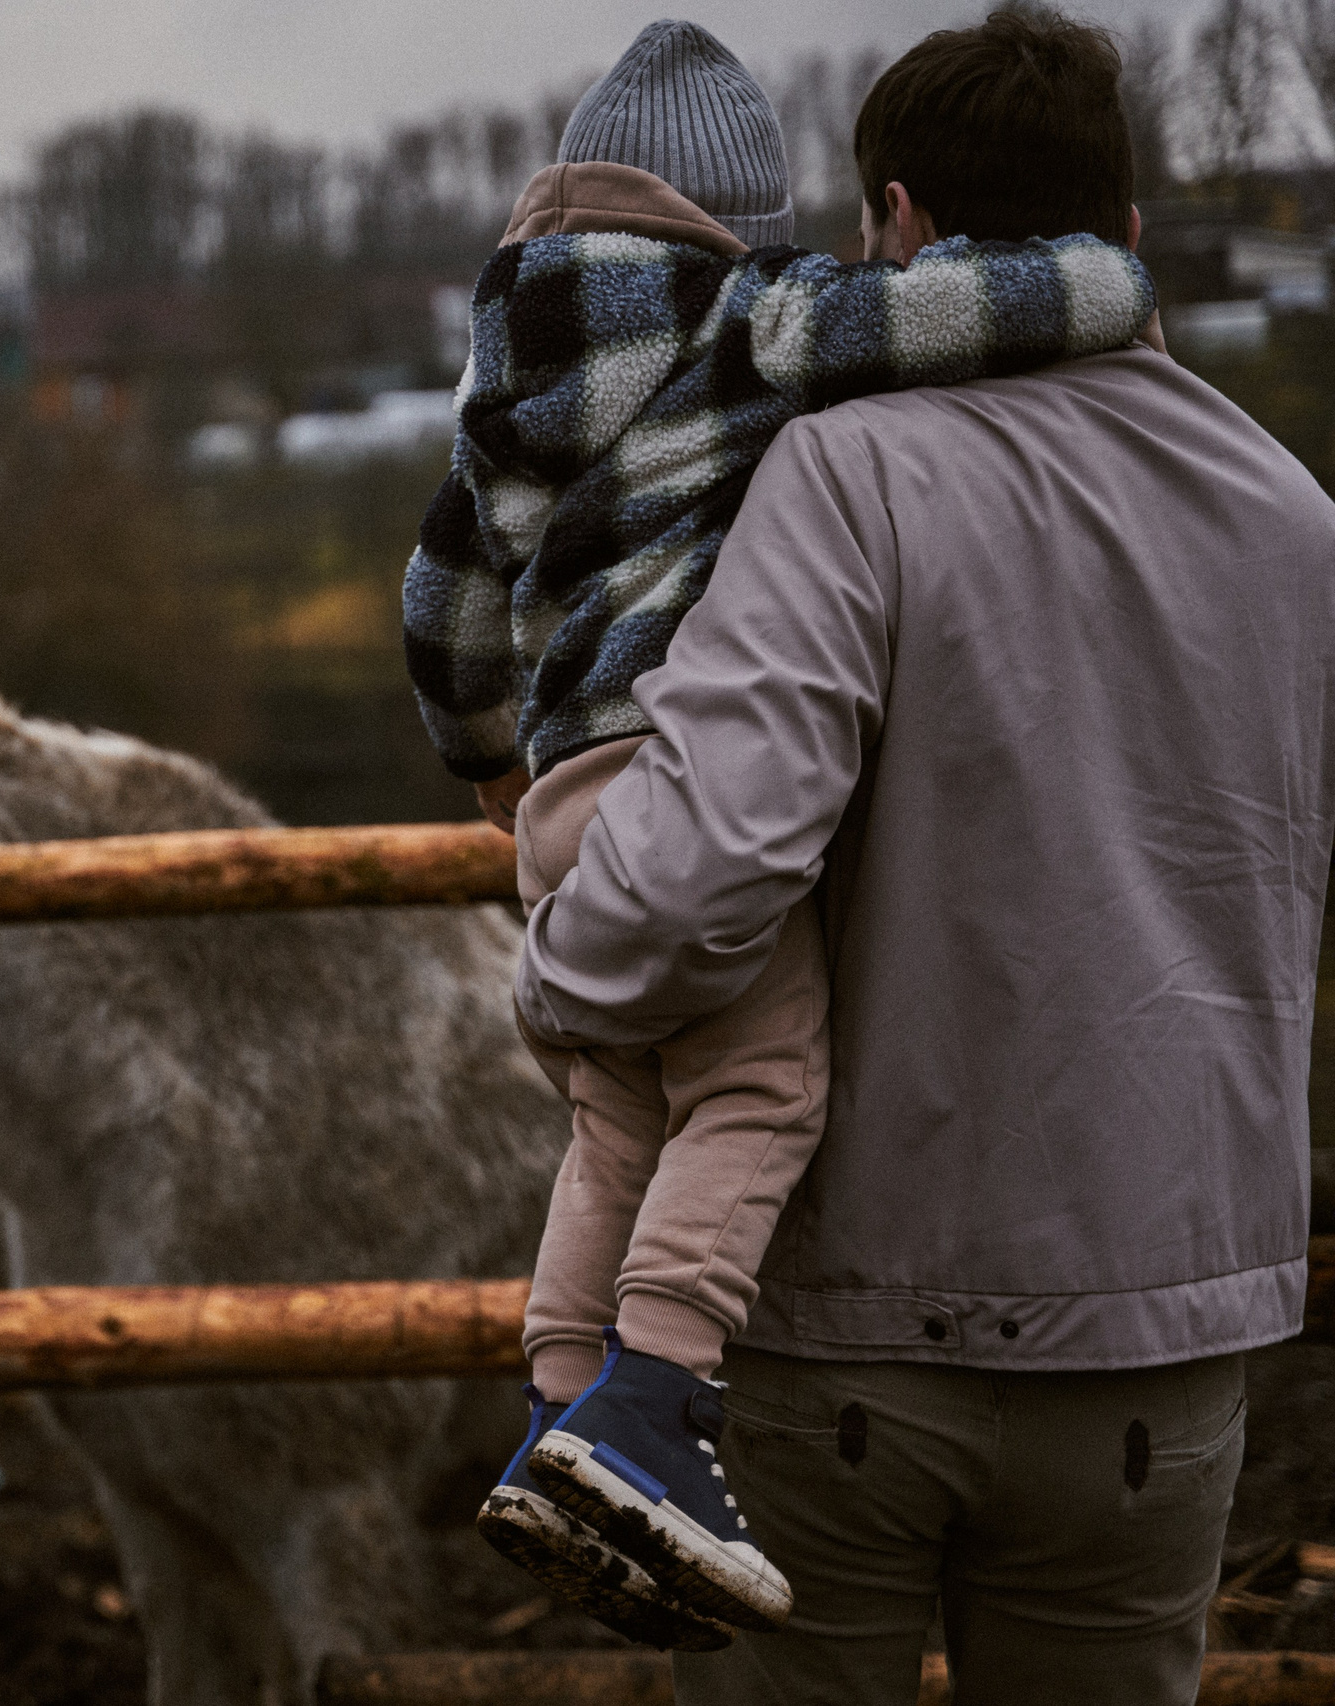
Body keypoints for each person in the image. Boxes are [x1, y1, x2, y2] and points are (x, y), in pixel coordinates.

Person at [509, 8, 1335, 1701]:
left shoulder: (843, 473)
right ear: (1121, 224)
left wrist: (555, 973)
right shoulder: (1294, 518)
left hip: (841, 1354)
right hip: (1160, 1351)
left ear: (896, 227)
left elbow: (693, 880)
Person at [402, 15, 1158, 1648]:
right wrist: (1115, 285)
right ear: (739, 229)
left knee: (620, 1115)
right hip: (685, 783)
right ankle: (660, 1396)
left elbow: (442, 602)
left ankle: (554, 1410)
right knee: (756, 1083)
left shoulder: (503, 360)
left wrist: (488, 767)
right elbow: (977, 302)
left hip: (558, 799)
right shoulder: (750, 321)